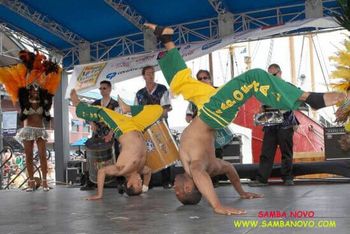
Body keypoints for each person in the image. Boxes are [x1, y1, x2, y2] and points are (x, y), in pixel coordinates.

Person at [144, 23, 347, 215]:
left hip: (210, 108)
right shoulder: (194, 166)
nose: (175, 189)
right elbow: (200, 174)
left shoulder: (213, 166)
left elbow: (231, 169)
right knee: (254, 77)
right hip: (213, 113)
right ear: (187, 188)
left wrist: (241, 192)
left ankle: (167, 38)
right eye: (177, 192)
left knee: (184, 84)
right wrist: (217, 205)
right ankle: (310, 98)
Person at [70, 89, 163, 200]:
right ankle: (128, 108)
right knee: (159, 110)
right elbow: (148, 172)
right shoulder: (140, 169)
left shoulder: (121, 170)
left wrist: (99, 194)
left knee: (101, 112)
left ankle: (77, 104)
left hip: (122, 127)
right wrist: (145, 187)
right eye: (140, 184)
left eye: (138, 184)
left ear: (129, 184)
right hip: (138, 126)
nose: (140, 181)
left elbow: (102, 171)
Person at [0, 50, 61, 192]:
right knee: (28, 157)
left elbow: (47, 114)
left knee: (42, 156)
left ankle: (45, 182)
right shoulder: (23, 100)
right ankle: (31, 182)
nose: (34, 90)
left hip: (40, 130)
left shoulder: (44, 102)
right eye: (32, 89)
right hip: (27, 130)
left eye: (36, 89)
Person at [250, 64, 299, 187]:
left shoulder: (288, 87)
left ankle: (288, 177)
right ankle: (262, 179)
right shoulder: (265, 90)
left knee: (286, 152)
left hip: (286, 123)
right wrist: (261, 109)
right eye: (268, 75)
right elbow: (263, 106)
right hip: (270, 124)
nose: (271, 77)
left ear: (280, 73)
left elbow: (297, 101)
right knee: (266, 152)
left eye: (273, 74)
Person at [135, 65, 173, 189]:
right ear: (143, 76)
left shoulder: (162, 89)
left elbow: (165, 109)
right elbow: (135, 112)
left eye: (152, 73)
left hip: (160, 125)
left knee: (164, 150)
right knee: (148, 153)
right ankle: (148, 181)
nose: (151, 75)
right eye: (148, 73)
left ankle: (166, 180)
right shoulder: (139, 94)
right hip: (145, 127)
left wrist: (153, 116)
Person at [80, 80, 121, 191]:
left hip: (111, 135)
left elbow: (118, 121)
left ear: (110, 89)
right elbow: (87, 115)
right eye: (100, 88)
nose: (102, 90)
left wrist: (111, 134)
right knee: (90, 157)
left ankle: (118, 181)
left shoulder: (115, 104)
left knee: (115, 155)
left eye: (104, 88)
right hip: (97, 136)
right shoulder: (95, 104)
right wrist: (91, 122)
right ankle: (91, 181)